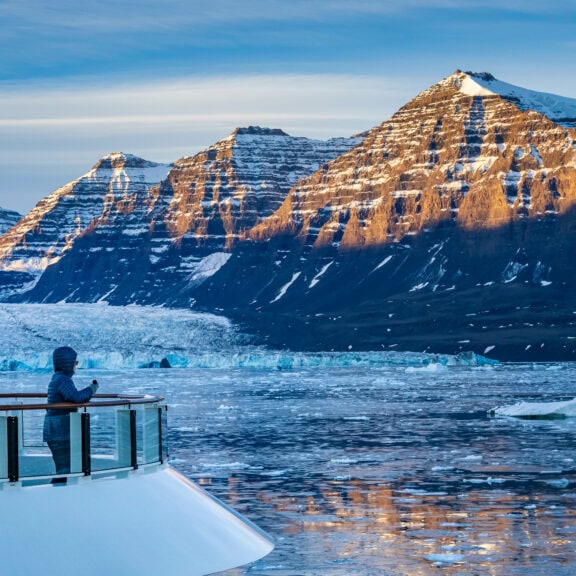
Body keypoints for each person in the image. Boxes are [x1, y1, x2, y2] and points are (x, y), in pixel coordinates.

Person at [43, 346, 99, 475]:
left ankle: (60, 490)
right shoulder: (63, 380)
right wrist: (92, 388)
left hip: (56, 429)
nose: (76, 365)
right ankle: (58, 492)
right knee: (65, 468)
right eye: (75, 362)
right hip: (58, 431)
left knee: (65, 467)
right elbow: (76, 397)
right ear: (67, 363)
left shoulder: (58, 378)